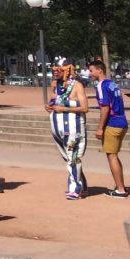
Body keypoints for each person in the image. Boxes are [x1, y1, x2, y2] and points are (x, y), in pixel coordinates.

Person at [45, 62, 88, 200]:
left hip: (73, 130)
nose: (55, 73)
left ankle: (75, 188)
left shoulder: (77, 86)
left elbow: (85, 108)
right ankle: (83, 186)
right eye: (53, 71)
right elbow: (53, 102)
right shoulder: (54, 85)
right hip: (58, 129)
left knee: (73, 157)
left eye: (58, 70)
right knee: (68, 158)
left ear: (67, 71)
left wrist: (64, 109)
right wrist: (50, 106)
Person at [89, 58, 129, 198]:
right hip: (122, 122)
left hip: (112, 124)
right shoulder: (112, 83)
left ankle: (120, 190)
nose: (90, 73)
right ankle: (120, 186)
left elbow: (105, 108)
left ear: (99, 70)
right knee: (115, 156)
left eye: (91, 70)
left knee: (111, 156)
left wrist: (100, 128)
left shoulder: (101, 86)